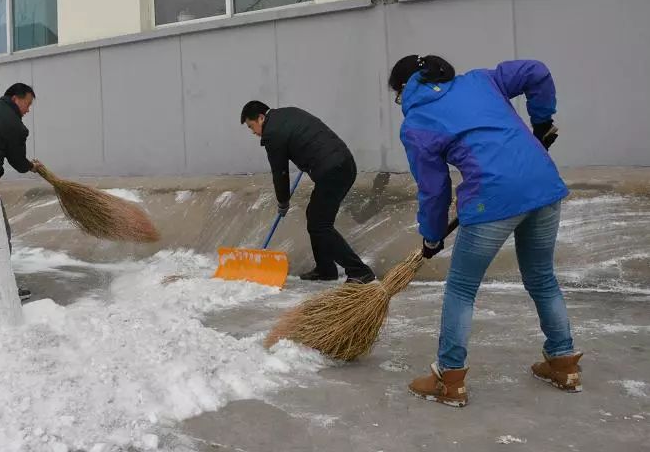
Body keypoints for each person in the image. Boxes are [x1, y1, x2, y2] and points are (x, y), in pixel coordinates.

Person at [389, 54, 580, 408]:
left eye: (397, 97)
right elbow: (537, 70)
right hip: (542, 184)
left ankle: (450, 379)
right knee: (541, 277)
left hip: (492, 199)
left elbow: (433, 189)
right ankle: (563, 362)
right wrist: (541, 122)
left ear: (404, 89)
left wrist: (432, 235)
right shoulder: (479, 80)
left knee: (461, 288)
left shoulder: (417, 123)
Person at [241, 101, 375, 284]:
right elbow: (307, 136)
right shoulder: (288, 113)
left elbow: (280, 172)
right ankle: (325, 269)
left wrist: (283, 201)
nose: (254, 133)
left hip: (332, 170)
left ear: (261, 118)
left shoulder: (272, 133)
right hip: (343, 163)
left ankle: (360, 271)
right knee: (315, 217)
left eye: (252, 126)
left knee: (320, 224)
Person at [0, 83, 43, 301]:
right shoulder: (16, 127)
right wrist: (31, 167)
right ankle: (3, 289)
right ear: (16, 99)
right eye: (28, 103)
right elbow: (17, 162)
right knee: (1, 235)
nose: (28, 110)